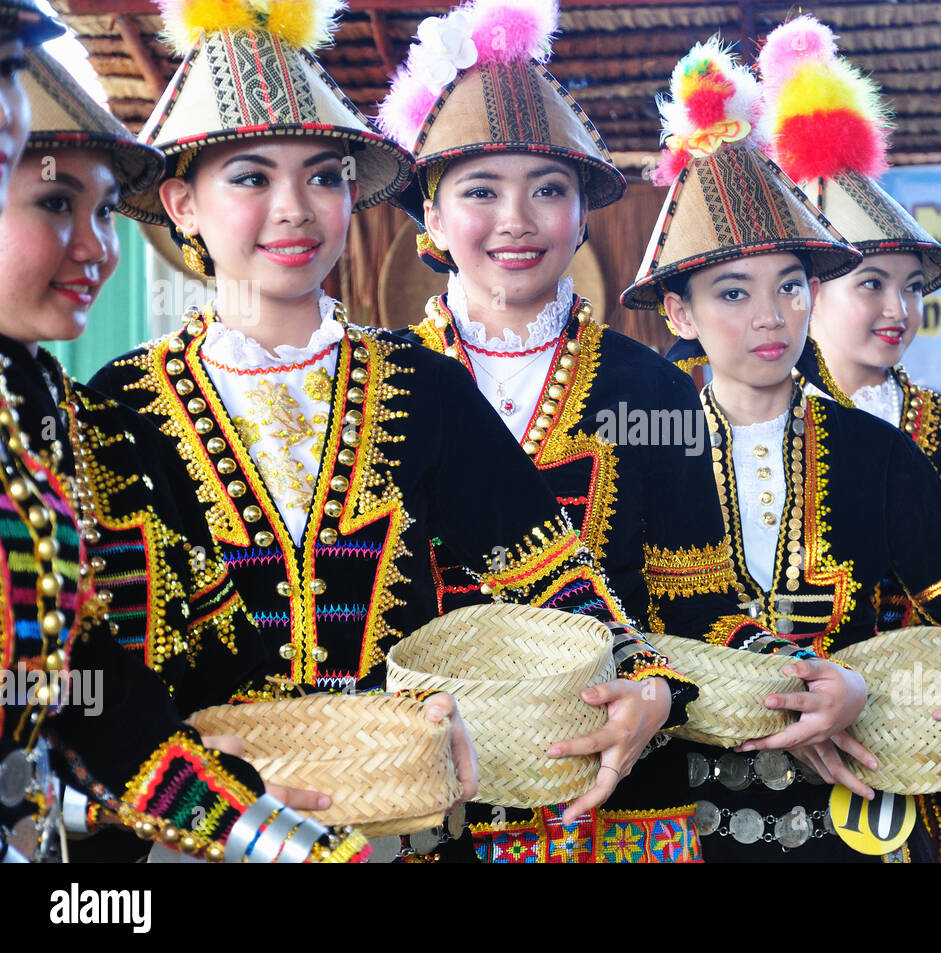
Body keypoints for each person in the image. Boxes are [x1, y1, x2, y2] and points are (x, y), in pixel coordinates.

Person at [89, 0, 694, 861]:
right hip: (200, 835)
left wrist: (647, 681)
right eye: (252, 177)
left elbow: (550, 572)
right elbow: (104, 646)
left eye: (325, 177)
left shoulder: (421, 385)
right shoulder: (116, 403)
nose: (295, 208)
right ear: (183, 202)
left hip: (403, 830)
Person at [377, 0, 870, 863]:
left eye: (550, 189)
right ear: (430, 215)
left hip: (620, 809)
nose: (518, 219)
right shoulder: (378, 384)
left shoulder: (651, 388)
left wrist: (710, 690)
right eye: (481, 190)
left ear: (582, 214)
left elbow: (703, 607)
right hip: (425, 801)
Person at [620, 37, 941, 862]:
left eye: (790, 285)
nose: (770, 317)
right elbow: (609, 623)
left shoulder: (873, 451)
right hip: (669, 822)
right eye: (733, 291)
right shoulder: (640, 447)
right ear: (677, 314)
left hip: (846, 826)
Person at [0, 7, 382, 864]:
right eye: (55, 201)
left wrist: (289, 838)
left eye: (103, 213)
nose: (96, 248)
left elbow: (101, 698)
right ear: (185, 208)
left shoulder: (72, 419)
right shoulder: (116, 397)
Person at [759, 14, 941, 863]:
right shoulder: (746, 429)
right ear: (804, 288)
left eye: (912, 286)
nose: (898, 309)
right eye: (870, 282)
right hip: (786, 783)